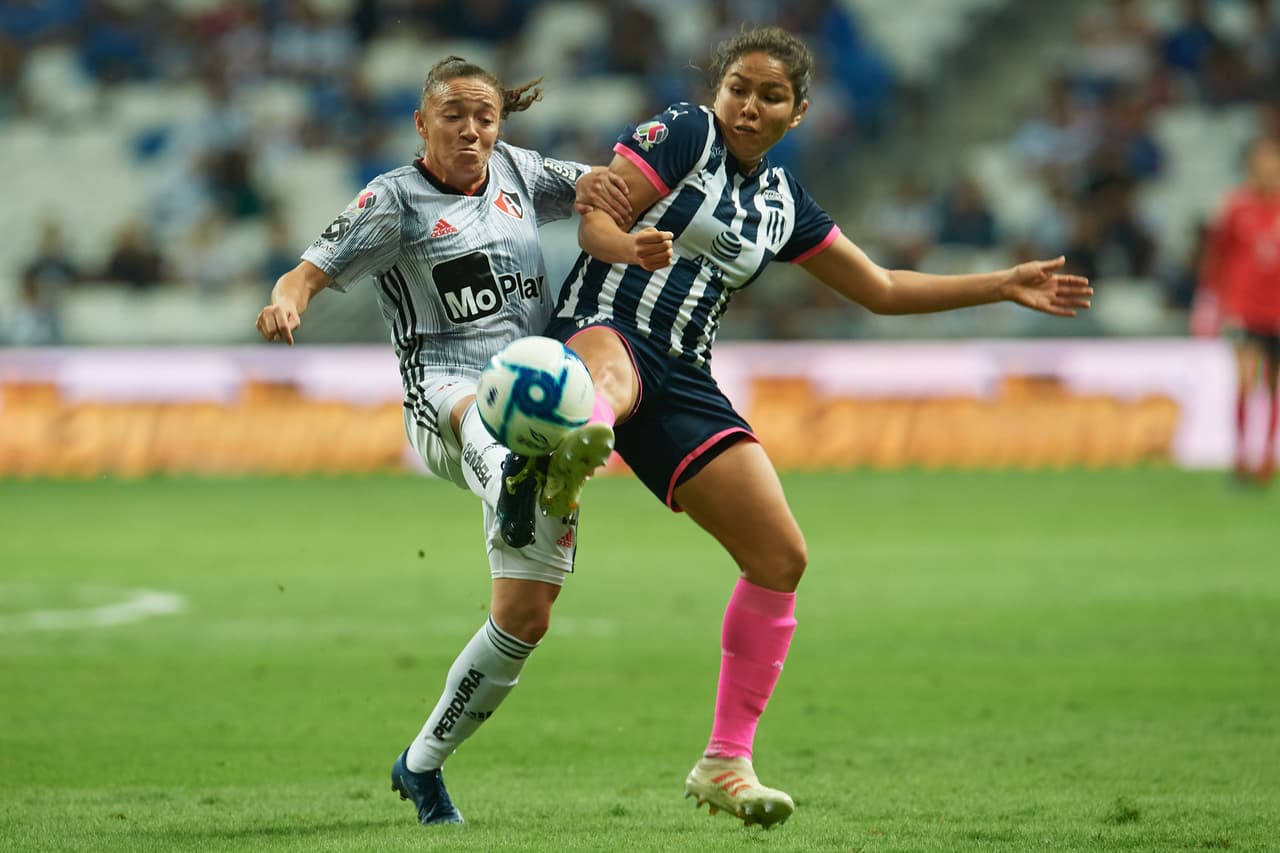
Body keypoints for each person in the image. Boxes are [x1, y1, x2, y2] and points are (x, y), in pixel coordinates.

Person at [548, 26, 1093, 829]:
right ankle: (571, 445)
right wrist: (629, 247)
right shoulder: (686, 132)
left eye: (770, 96)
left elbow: (880, 288)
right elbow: (595, 216)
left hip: (685, 376)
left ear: (797, 113)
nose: (748, 106)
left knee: (781, 557)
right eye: (738, 88)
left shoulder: (783, 204)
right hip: (604, 325)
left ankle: (726, 761)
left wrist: (1001, 284)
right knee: (609, 379)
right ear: (718, 91)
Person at [255, 56, 629, 826]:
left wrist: (653, 180)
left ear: (499, 125)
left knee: (525, 618)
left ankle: (421, 764)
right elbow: (308, 271)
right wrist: (285, 302)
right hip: (445, 399)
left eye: (484, 117)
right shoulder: (392, 201)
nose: (470, 130)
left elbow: (604, 184)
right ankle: (510, 476)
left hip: (541, 411)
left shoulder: (520, 172)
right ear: (422, 123)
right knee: (474, 406)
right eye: (453, 115)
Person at [1194, 136, 1280, 484]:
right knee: (1245, 379)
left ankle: (1266, 459)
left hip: (1277, 308)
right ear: (1251, 165)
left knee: (1273, 384)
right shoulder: (1234, 206)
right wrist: (1210, 301)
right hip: (1244, 307)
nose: (1269, 166)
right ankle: (1242, 456)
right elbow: (1217, 257)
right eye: (1263, 159)